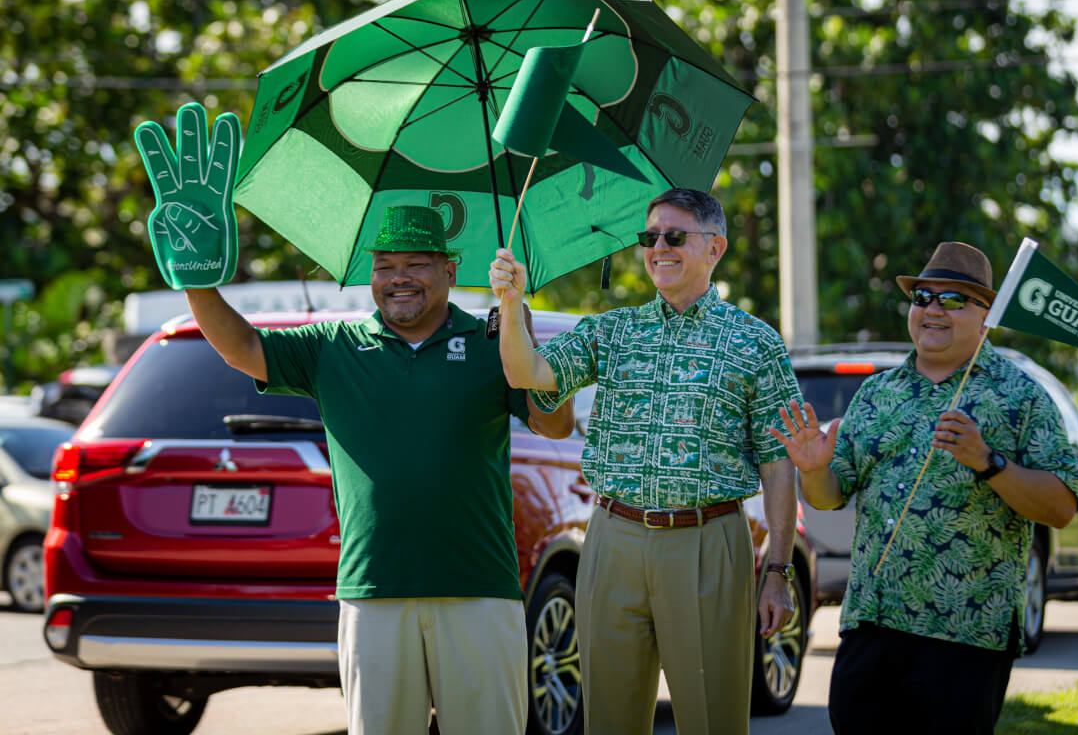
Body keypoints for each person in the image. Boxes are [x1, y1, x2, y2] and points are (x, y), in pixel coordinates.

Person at [184, 205, 575, 735]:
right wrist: (198, 282)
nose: (398, 279)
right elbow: (244, 347)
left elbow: (554, 426)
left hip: (479, 588)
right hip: (374, 592)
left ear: (449, 271)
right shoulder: (333, 347)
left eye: (415, 263)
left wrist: (524, 345)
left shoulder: (491, 340)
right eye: (385, 265)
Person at [489, 188, 801, 735]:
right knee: (608, 720)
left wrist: (777, 571)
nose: (658, 247)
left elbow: (779, 464)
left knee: (713, 721)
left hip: (709, 541)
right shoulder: (614, 330)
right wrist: (512, 304)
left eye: (674, 236)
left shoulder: (756, 343)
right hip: (612, 538)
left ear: (715, 248)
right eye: (649, 236)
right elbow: (527, 373)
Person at [771, 241, 1078, 735]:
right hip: (871, 626)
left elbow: (1062, 506)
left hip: (964, 634)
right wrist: (813, 469)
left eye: (954, 299)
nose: (933, 309)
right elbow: (830, 495)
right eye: (922, 297)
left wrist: (989, 462)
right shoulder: (878, 392)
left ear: (986, 315)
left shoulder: (1021, 397)